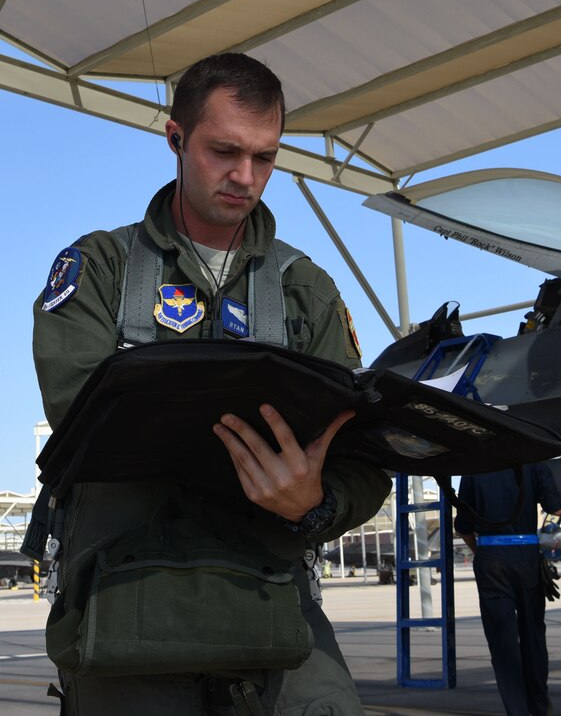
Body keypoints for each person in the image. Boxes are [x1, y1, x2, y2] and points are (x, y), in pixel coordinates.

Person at [30, 53, 392, 715]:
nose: (245, 177)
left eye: (265, 157)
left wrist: (312, 503)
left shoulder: (305, 290)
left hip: (272, 603)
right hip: (126, 604)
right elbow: (81, 422)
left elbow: (361, 463)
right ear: (174, 138)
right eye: (224, 151)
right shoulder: (100, 270)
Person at [454, 464, 561, 716]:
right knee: (533, 635)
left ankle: (517, 710)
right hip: (527, 556)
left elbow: (463, 527)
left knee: (502, 641)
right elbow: (556, 509)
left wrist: (482, 552)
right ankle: (539, 706)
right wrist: (547, 536)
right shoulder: (534, 462)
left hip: (491, 558)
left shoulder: (474, 468)